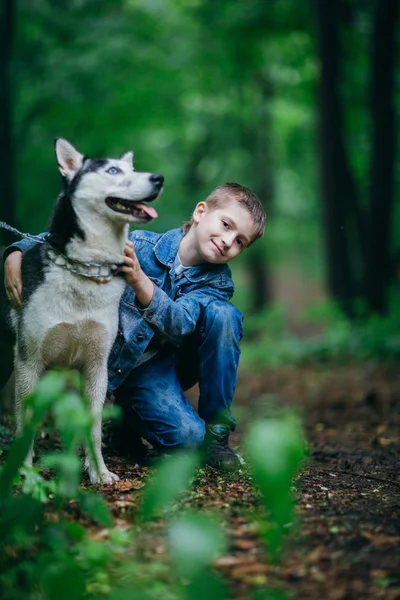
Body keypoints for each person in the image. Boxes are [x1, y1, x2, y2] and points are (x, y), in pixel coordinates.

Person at [4, 183, 266, 471]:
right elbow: (76, 240)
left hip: (154, 368)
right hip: (108, 361)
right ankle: (126, 420)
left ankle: (212, 434)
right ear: (201, 211)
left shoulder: (218, 284)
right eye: (226, 225)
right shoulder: (139, 245)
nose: (229, 240)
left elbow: (180, 322)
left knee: (191, 437)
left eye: (240, 241)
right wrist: (17, 251)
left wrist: (142, 283)